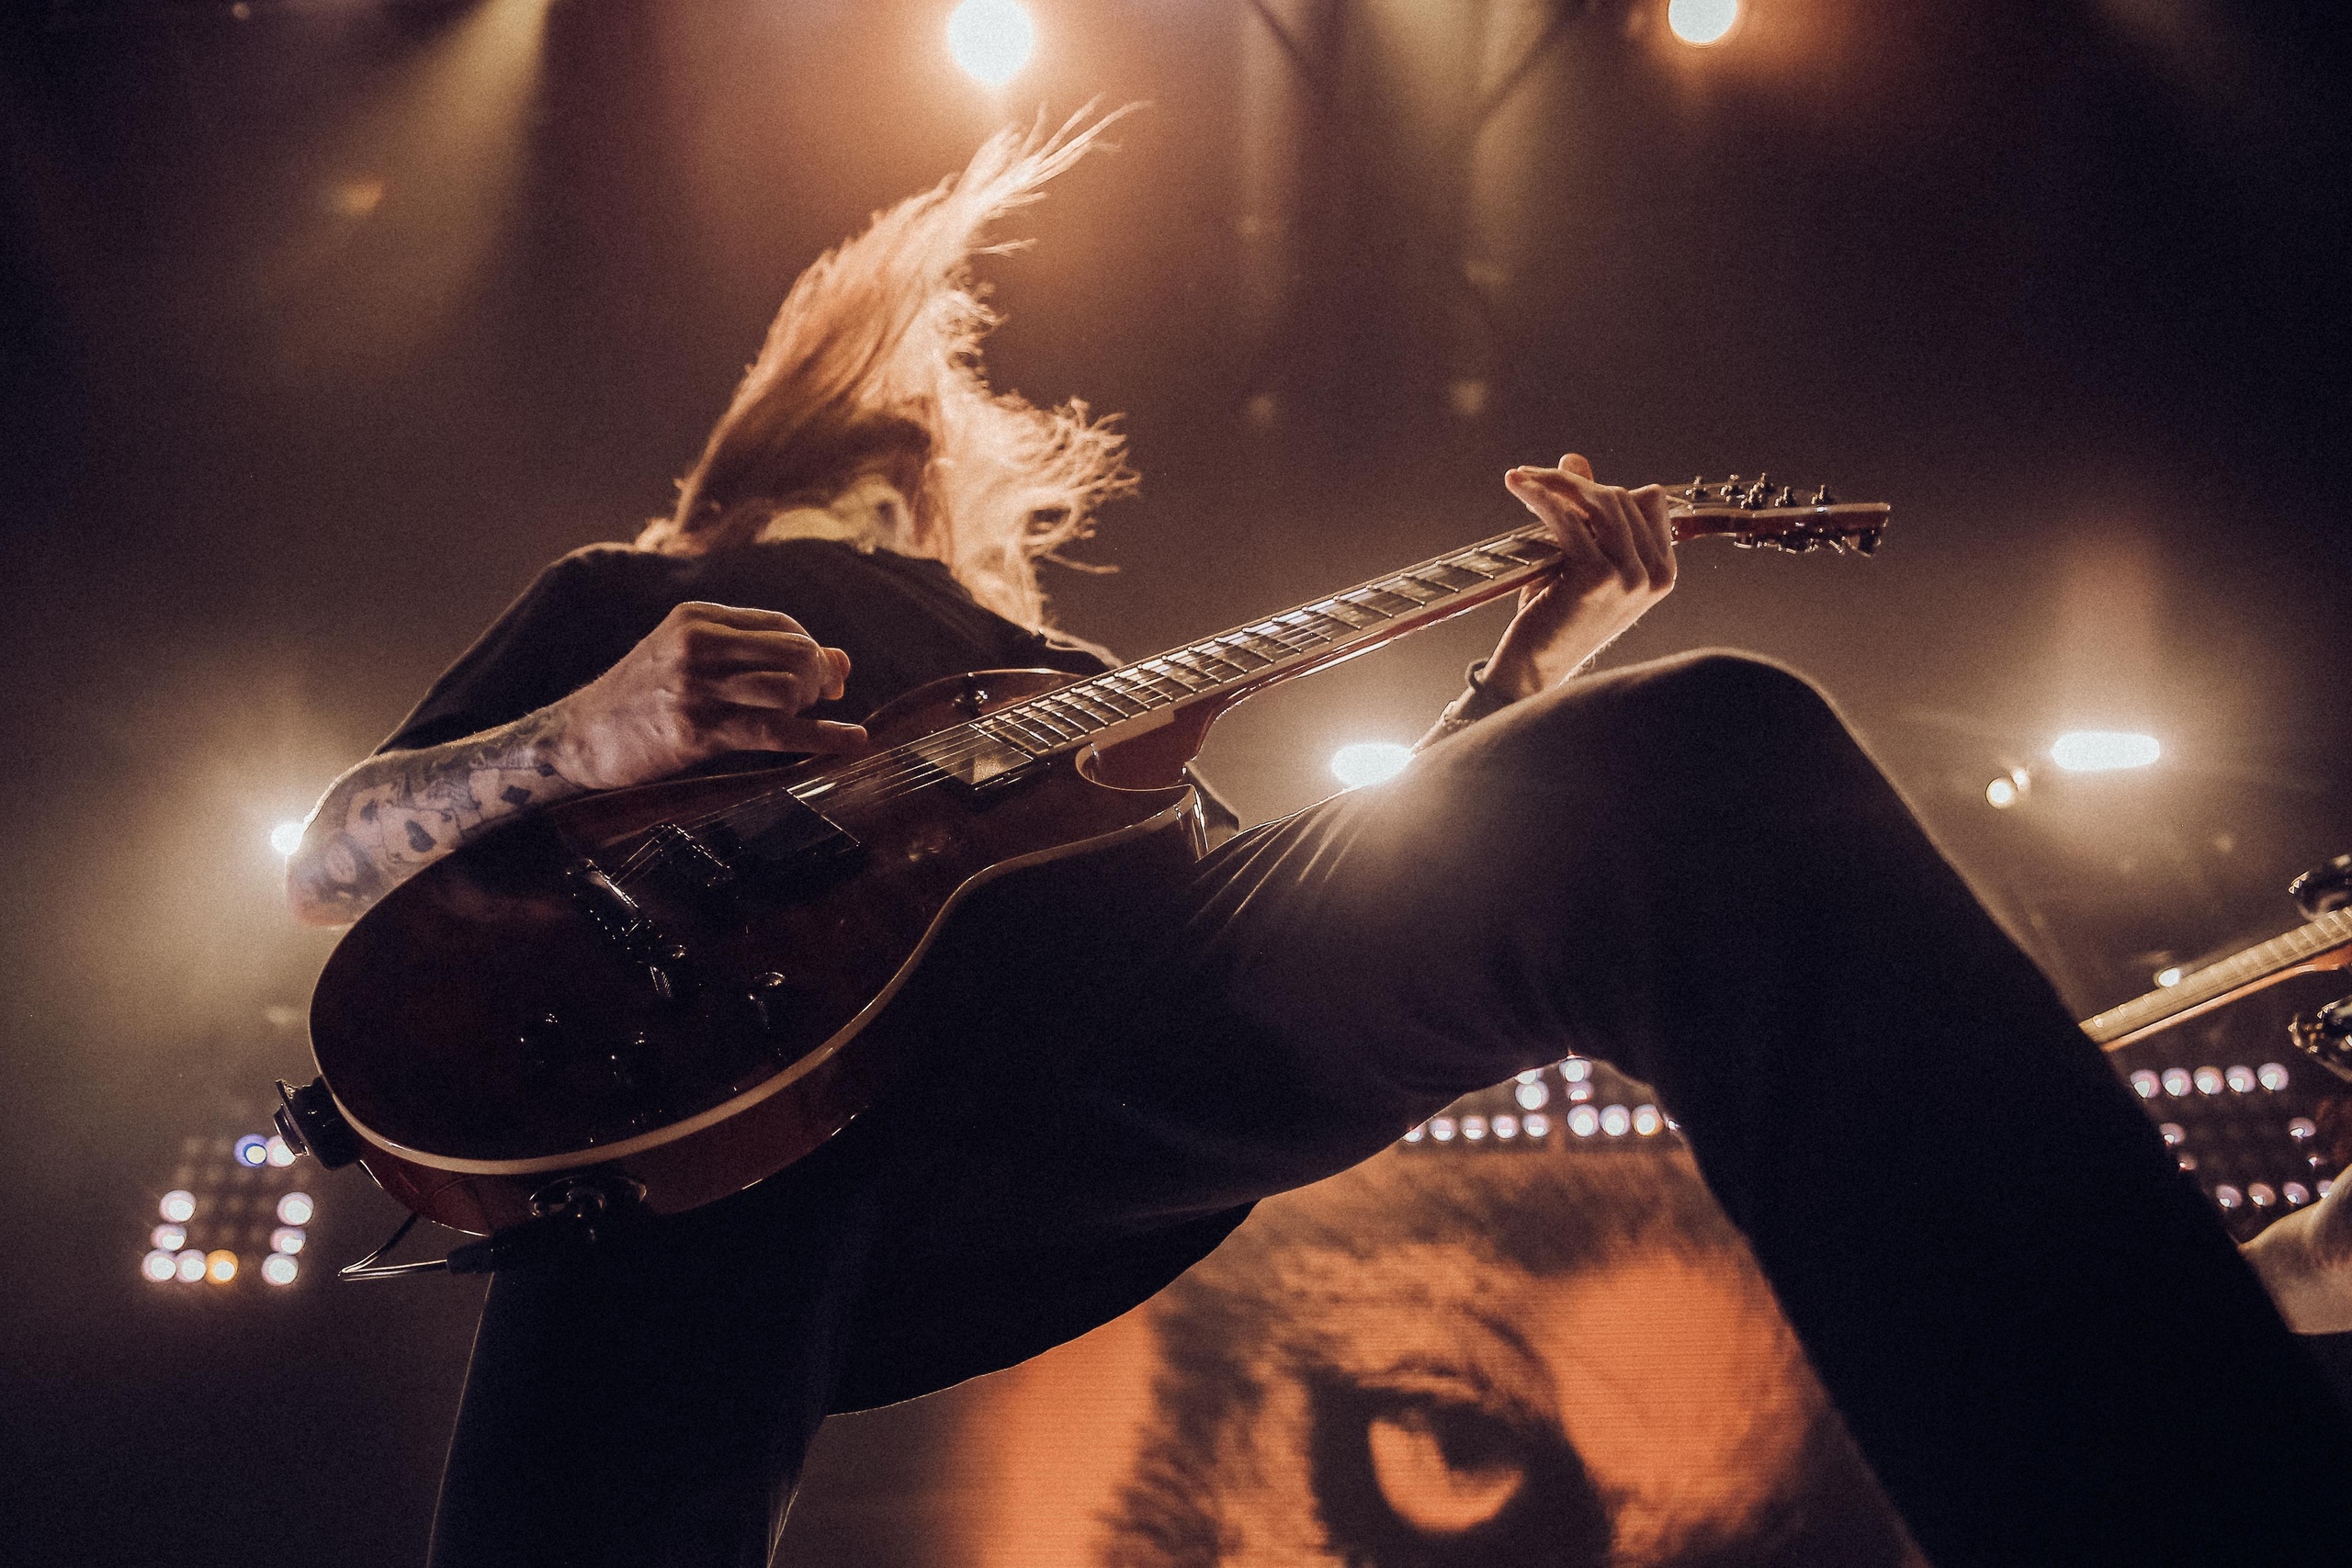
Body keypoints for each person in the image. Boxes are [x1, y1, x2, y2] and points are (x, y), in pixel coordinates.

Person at [287, 118, 2350, 1568]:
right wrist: (595, 720)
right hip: (691, 1122)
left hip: (1076, 1068)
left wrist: (1530, 681)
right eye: (890, 464)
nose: (931, 491)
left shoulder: (1060, 680)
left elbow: (1343, 920)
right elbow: (332, 851)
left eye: (943, 483)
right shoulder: (630, 594)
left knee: (1703, 755)